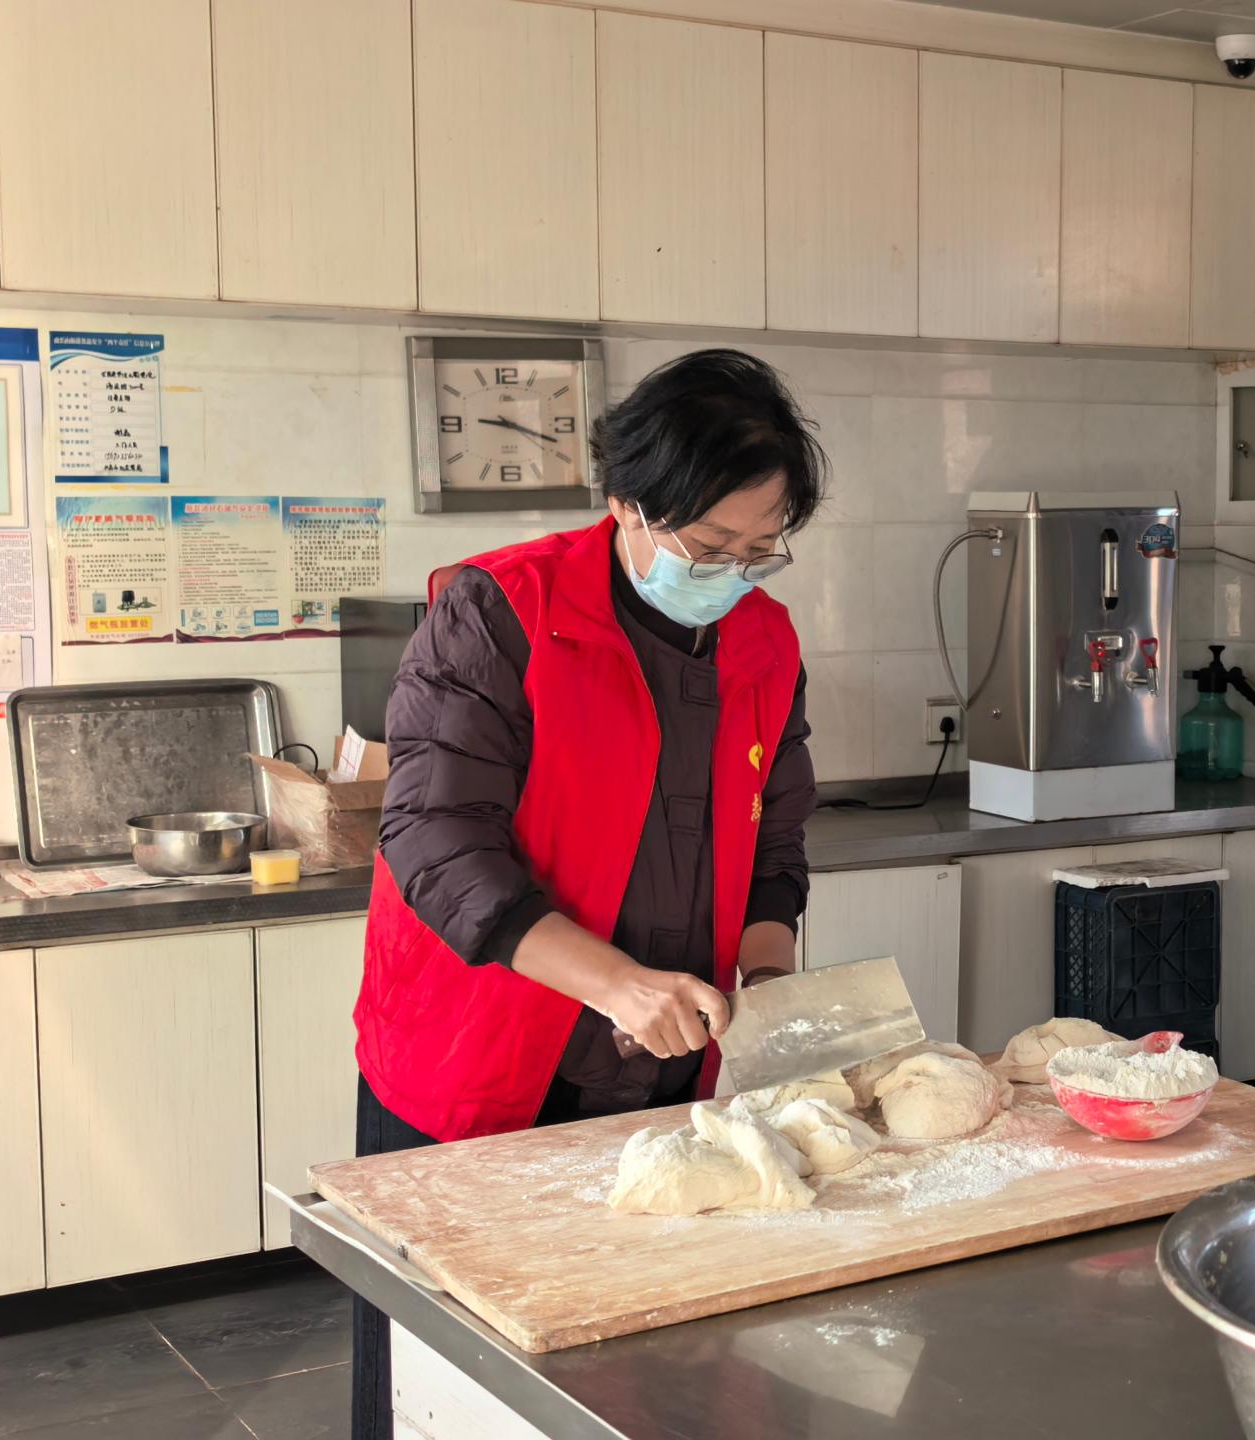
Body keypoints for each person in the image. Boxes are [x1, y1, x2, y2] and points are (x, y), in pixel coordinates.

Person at [348, 349, 824, 1440]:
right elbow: (435, 837)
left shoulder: (763, 639)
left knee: (637, 1375)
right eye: (708, 546)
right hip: (483, 1065)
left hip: (665, 1073)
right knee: (448, 1378)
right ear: (625, 503)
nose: (734, 573)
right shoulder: (498, 611)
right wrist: (615, 984)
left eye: (760, 550)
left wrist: (767, 976)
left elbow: (776, 833)